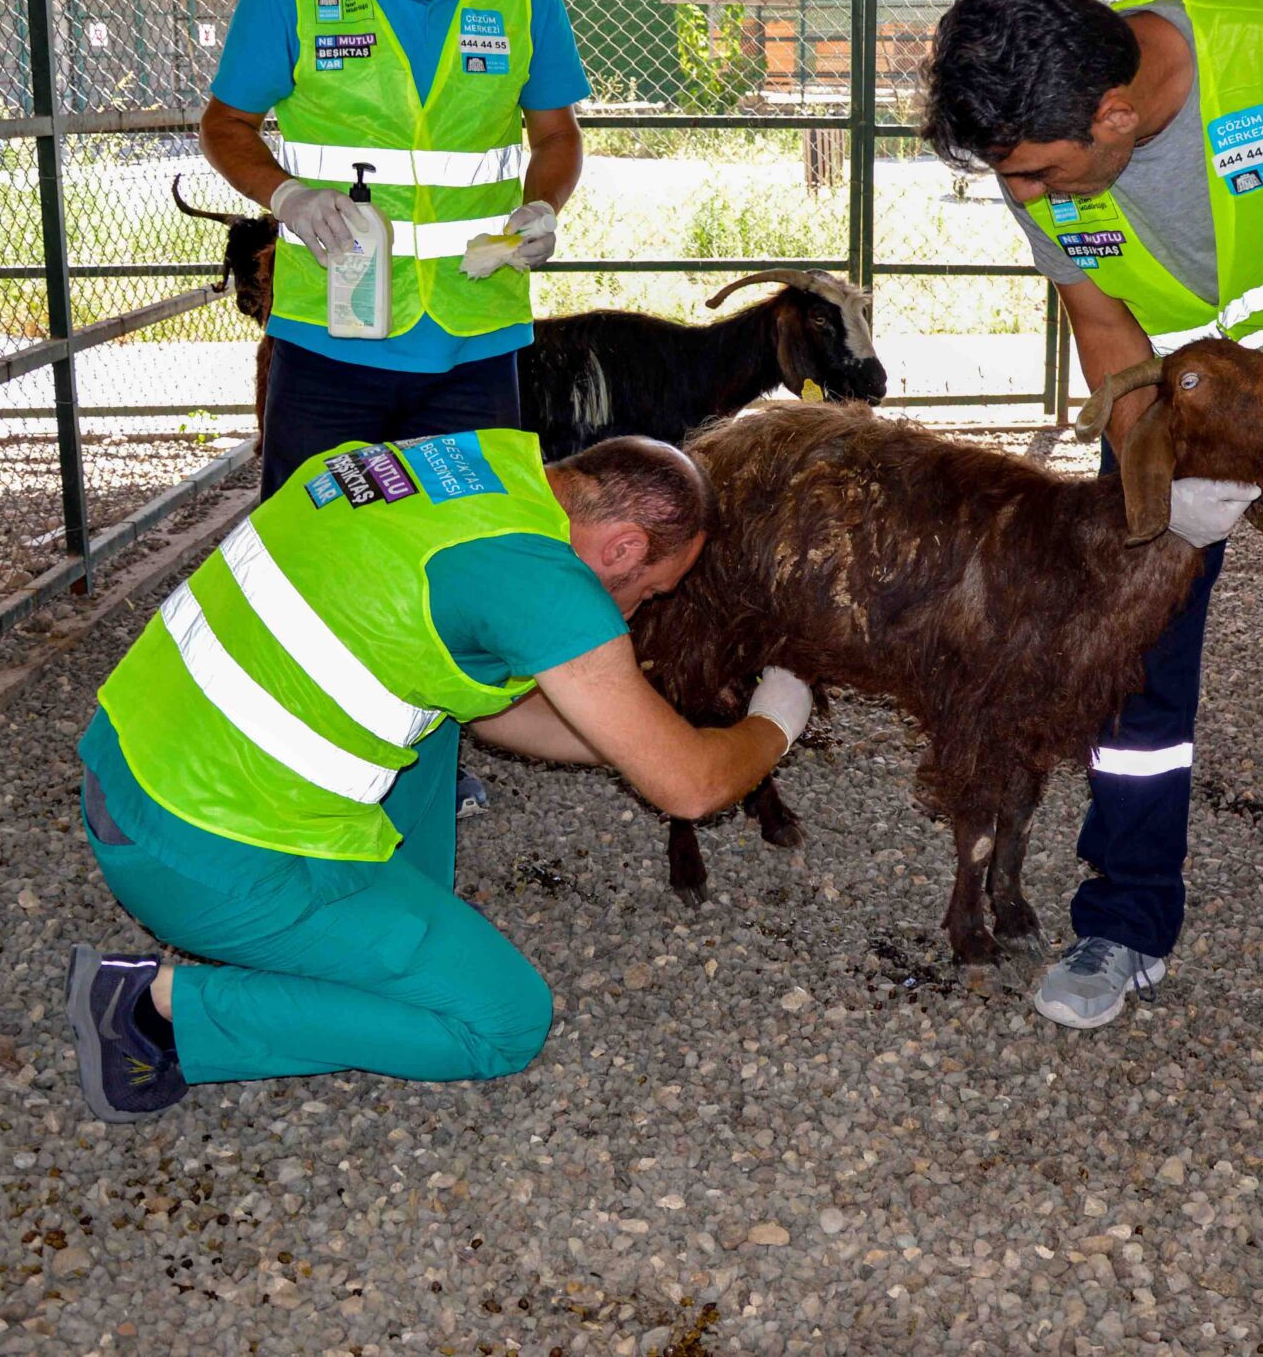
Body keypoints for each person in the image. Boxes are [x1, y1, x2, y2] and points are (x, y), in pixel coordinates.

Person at [922, 0, 1263, 1030]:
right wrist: (1155, 460)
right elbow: (1098, 315)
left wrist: (1262, 392)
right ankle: (1126, 918)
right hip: (1165, 406)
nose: (1027, 194)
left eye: (1040, 172)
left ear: (1113, 114)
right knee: (1131, 663)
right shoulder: (1036, 158)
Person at [63, 430, 811, 1121]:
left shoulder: (457, 470)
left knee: (439, 718)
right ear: (621, 547)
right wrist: (773, 722)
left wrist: (651, 740)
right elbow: (691, 788)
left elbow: (491, 713)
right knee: (503, 1023)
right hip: (200, 857)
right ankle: (147, 1009)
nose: (645, 606)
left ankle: (380, 941)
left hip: (129, 768)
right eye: (651, 590)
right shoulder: (538, 582)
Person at [199, 0, 590, 499]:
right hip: (329, 342)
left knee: (470, 558)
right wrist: (286, 196)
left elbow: (557, 135)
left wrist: (543, 208)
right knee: (317, 555)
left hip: (475, 343)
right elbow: (224, 125)